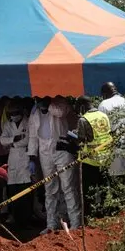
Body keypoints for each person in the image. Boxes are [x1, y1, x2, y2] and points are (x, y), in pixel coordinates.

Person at [28, 97, 82, 234]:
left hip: (61, 150)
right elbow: (33, 136)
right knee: (50, 189)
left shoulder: (59, 103)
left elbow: (61, 112)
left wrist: (49, 105)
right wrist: (32, 157)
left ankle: (75, 224)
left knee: (68, 187)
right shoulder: (35, 112)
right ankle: (51, 224)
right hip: (45, 151)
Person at [75, 95, 113, 218]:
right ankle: (105, 215)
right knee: (104, 189)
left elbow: (81, 140)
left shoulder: (83, 119)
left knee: (89, 192)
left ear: (82, 106)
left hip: (90, 161)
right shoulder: (104, 116)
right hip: (105, 158)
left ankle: (89, 218)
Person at [0, 102, 34, 226]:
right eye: (11, 114)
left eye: (15, 113)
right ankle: (15, 217)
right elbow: (2, 140)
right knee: (13, 189)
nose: (13, 116)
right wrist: (13, 140)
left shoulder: (28, 122)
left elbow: (28, 139)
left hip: (24, 156)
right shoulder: (8, 124)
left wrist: (14, 143)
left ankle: (27, 219)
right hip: (13, 157)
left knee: (25, 189)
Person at [99, 82, 125, 176]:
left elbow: (102, 129)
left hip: (114, 148)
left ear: (104, 94)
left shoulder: (103, 104)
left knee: (116, 179)